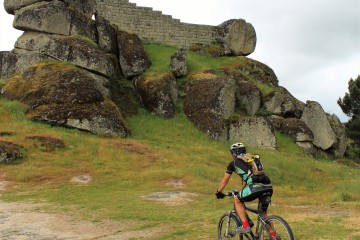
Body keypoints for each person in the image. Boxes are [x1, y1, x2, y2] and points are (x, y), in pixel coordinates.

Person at [215, 142, 275, 238]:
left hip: (255, 187)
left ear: (234, 153)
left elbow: (225, 180)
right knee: (263, 214)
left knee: (237, 200)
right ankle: (273, 235)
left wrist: (219, 192)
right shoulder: (252, 159)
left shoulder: (233, 163)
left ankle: (246, 226)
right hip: (268, 185)